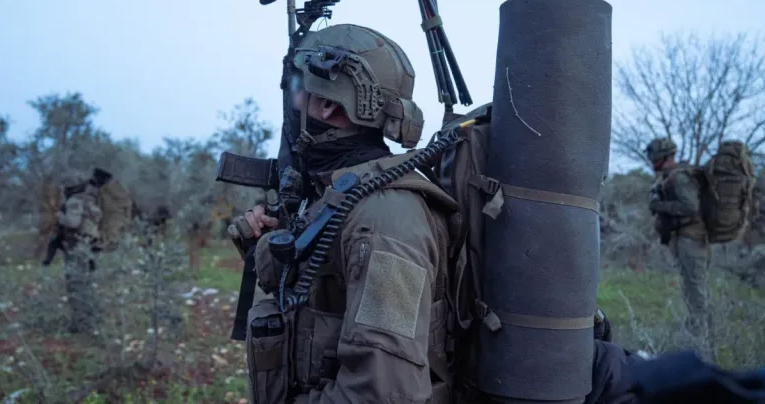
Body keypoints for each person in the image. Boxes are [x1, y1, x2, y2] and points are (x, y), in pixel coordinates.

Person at [229, 23, 643, 404]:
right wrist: (264, 244)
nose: (291, 99)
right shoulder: (340, 193)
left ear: (330, 109)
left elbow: (382, 394)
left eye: (299, 87)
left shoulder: (387, 220)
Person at [645, 138, 711, 340]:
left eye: (653, 156)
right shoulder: (669, 177)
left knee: (695, 290)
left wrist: (660, 207)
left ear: (663, 156)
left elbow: (690, 207)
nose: (651, 160)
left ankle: (702, 338)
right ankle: (697, 331)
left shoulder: (679, 177)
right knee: (692, 288)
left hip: (692, 239)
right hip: (685, 239)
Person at [55, 168, 109, 334]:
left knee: (75, 283)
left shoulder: (74, 201)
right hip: (90, 245)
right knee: (87, 283)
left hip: (77, 245)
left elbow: (73, 223)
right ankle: (91, 319)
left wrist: (58, 216)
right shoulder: (89, 200)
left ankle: (81, 324)